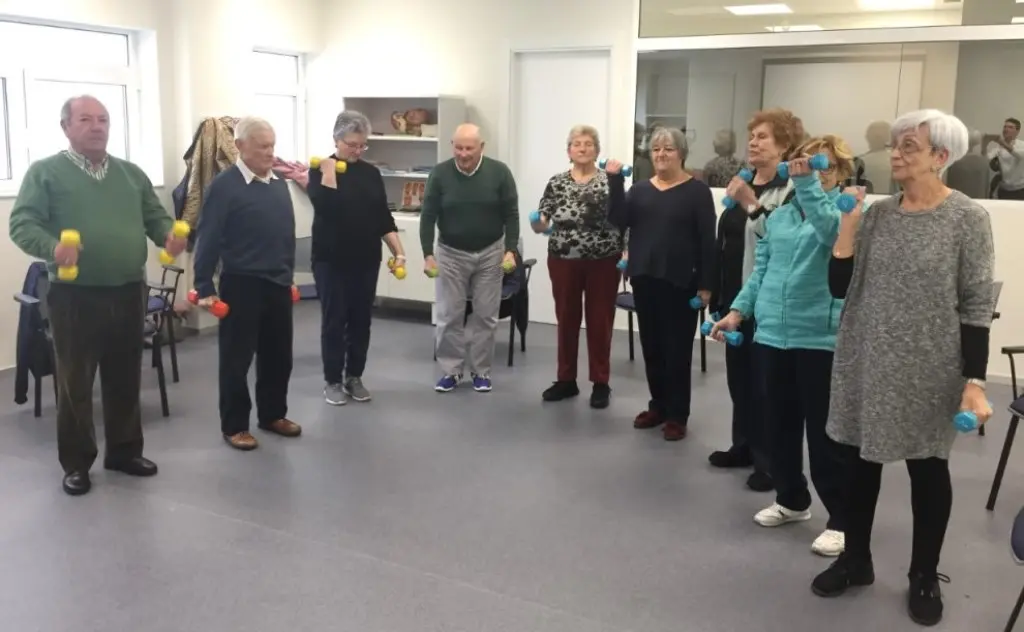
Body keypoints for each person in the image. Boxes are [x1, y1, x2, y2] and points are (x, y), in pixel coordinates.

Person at [810, 109, 995, 627]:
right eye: (894, 144)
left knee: (927, 470)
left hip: (930, 367)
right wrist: (847, 225)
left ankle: (923, 573)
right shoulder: (878, 214)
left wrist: (974, 382)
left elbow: (977, 304)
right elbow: (839, 287)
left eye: (909, 146)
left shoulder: (967, 218)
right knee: (859, 464)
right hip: (865, 357)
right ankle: (857, 559)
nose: (896, 153)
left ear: (941, 156)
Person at [8, 95, 187, 496]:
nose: (96, 126)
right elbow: (21, 223)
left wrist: (168, 236)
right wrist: (52, 247)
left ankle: (123, 452)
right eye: (85, 119)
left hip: (128, 289)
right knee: (75, 382)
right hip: (73, 295)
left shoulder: (130, 174)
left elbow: (155, 218)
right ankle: (76, 463)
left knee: (125, 376)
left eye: (103, 119)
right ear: (66, 127)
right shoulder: (45, 173)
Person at [712, 135, 858, 558]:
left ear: (840, 172)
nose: (815, 173)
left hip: (819, 337)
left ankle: (842, 519)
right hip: (772, 334)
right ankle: (792, 499)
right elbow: (761, 270)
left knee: (824, 433)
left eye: (825, 166)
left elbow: (833, 236)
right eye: (809, 165)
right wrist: (738, 312)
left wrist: (810, 184)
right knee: (777, 424)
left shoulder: (845, 209)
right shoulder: (779, 216)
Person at [193, 117, 301, 451]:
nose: (271, 152)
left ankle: (272, 414)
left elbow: (284, 235)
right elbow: (208, 238)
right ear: (240, 147)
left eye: (272, 145)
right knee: (236, 360)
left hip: (277, 282)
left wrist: (289, 275)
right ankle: (234, 425)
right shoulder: (224, 187)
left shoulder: (278, 184)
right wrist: (204, 287)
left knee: (278, 357)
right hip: (241, 283)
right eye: (263, 146)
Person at [707, 108, 799, 492]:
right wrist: (716, 291)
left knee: (767, 386)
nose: (754, 143)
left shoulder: (792, 189)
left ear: (785, 146)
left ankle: (770, 461)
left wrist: (747, 201)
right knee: (739, 379)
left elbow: (778, 240)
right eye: (752, 136)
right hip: (734, 297)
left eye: (763, 137)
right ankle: (743, 445)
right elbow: (725, 240)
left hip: (767, 302)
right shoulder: (743, 184)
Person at [608, 126, 716, 441]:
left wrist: (707, 284)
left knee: (677, 350)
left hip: (681, 281)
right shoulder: (640, 189)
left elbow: (707, 241)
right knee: (652, 347)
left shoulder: (696, 191)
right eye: (656, 149)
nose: (661, 154)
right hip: (645, 277)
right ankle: (657, 406)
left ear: (681, 153)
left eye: (668, 149)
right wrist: (616, 182)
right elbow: (617, 219)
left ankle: (677, 414)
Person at [308, 110, 405, 406]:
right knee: (335, 320)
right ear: (337, 140)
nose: (358, 150)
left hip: (365, 259)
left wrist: (399, 252)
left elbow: (382, 218)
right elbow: (328, 208)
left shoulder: (371, 174)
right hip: (330, 259)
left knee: (361, 320)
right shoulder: (318, 172)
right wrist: (328, 170)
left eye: (362, 145)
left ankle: (354, 377)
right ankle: (333, 380)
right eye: (352, 144)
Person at [420, 123, 519, 393]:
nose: (463, 154)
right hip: (451, 253)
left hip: (490, 252)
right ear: (453, 145)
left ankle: (481, 372)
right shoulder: (440, 174)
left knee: (486, 316)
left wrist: (510, 249)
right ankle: (451, 371)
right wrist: (428, 254)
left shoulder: (499, 173)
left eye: (469, 149)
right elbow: (428, 216)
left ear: (481, 148)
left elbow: (511, 213)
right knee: (450, 315)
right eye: (458, 147)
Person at [532, 125, 624, 409]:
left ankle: (600, 382)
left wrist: (628, 252)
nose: (582, 148)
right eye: (576, 144)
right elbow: (543, 219)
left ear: (597, 150)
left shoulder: (610, 181)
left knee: (599, 321)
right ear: (568, 151)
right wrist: (539, 224)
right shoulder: (557, 182)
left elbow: (624, 217)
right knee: (567, 319)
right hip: (563, 260)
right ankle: (566, 380)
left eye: (588, 144)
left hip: (604, 261)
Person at [986, 117, 1024, 200]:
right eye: (1005, 127)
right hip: (1004, 190)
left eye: (1010, 127)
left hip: (1021, 190)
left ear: (1017, 131)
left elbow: (1018, 154)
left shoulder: (1022, 145)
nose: (1006, 129)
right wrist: (984, 143)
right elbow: (986, 160)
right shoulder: (998, 149)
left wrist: (1001, 142)